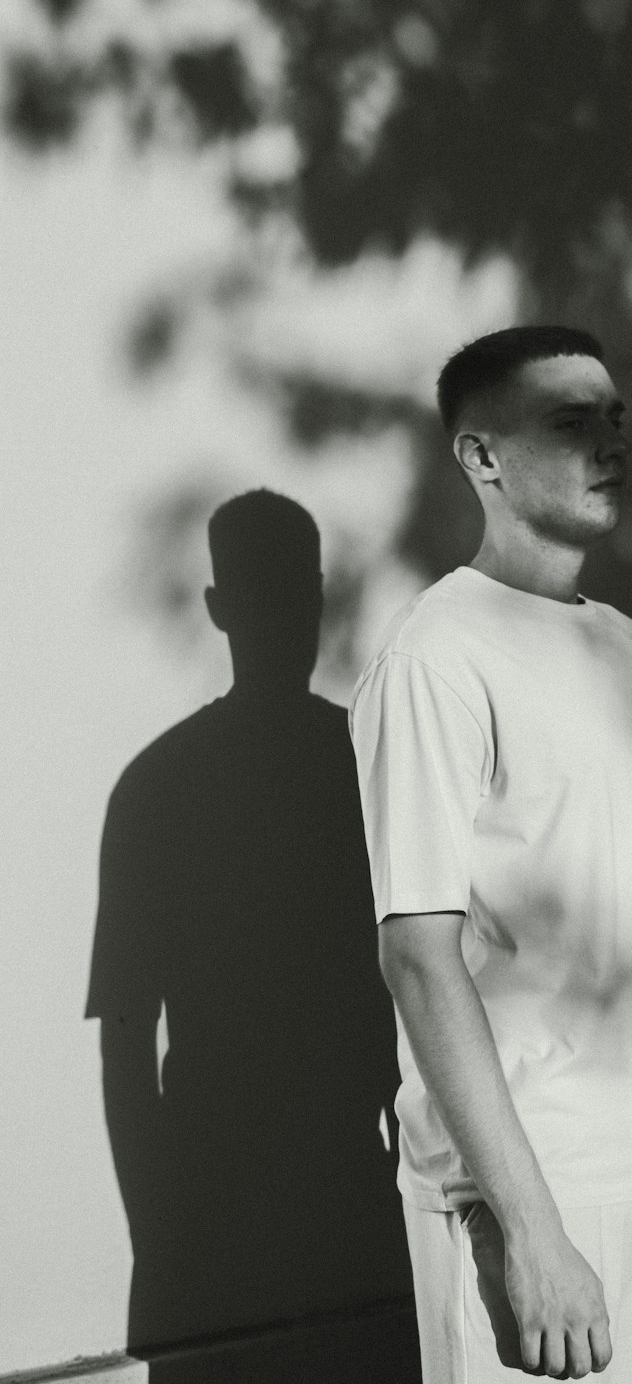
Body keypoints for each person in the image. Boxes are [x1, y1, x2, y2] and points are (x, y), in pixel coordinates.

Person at [349, 326, 632, 1382]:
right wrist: (531, 1232)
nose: (611, 443)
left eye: (614, 418)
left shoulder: (629, 645)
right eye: (571, 423)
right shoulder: (434, 657)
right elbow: (419, 956)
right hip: (535, 1197)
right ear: (481, 457)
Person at [86, 488, 410, 1352]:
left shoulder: (160, 787)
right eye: (277, 593)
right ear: (225, 608)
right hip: (323, 1228)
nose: (289, 618)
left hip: (257, 1233)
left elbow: (125, 1044)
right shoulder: (366, 773)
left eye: (292, 593)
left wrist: (160, 1244)